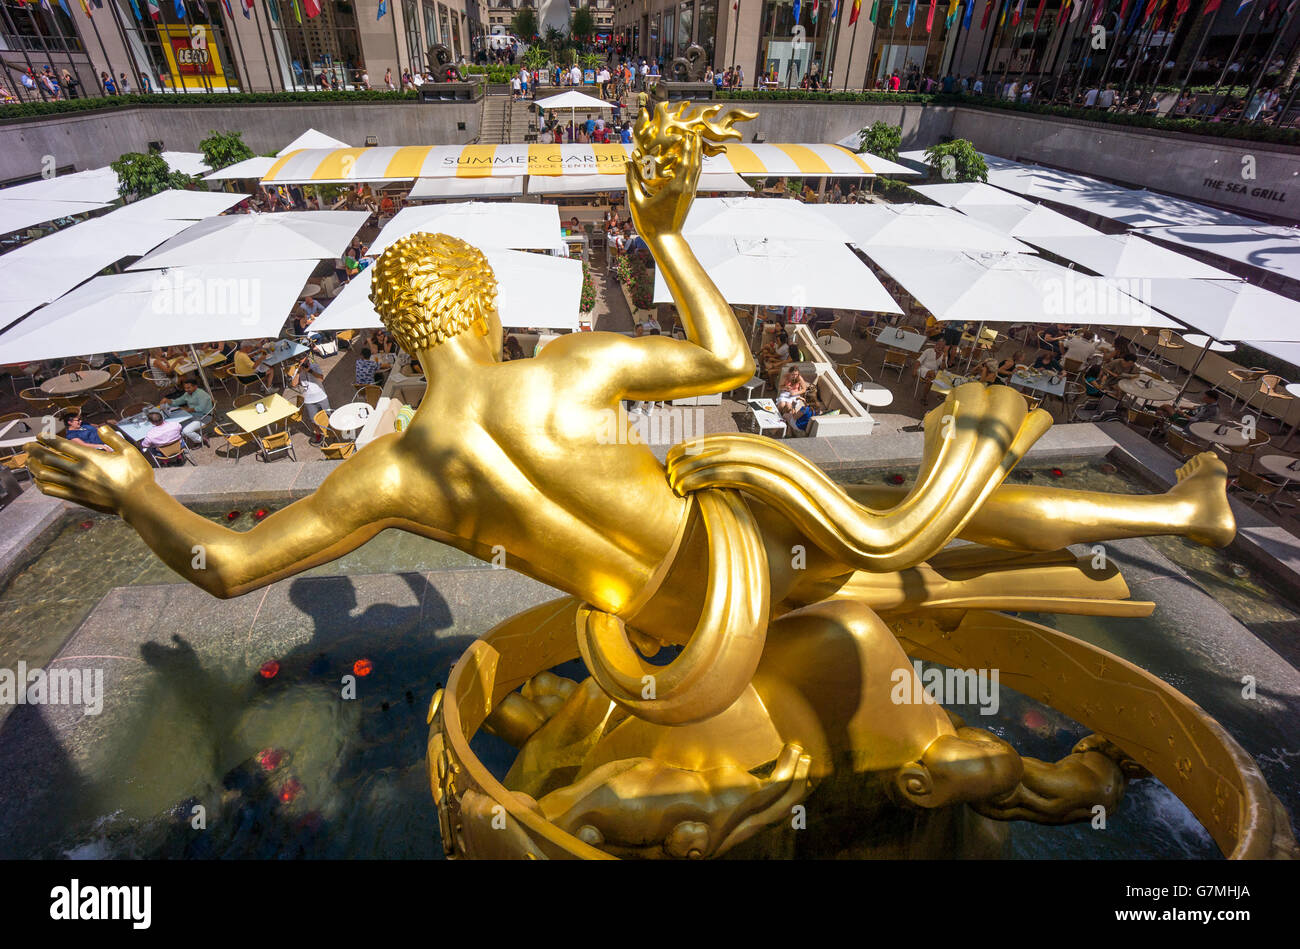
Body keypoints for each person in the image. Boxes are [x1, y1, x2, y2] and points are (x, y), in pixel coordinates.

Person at [161, 377, 214, 447]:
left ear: (195, 386)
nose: (186, 390)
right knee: (177, 427)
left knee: (186, 431)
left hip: (205, 416)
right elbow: (177, 402)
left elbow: (201, 408)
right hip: (192, 415)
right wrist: (167, 400)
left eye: (188, 388)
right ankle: (181, 443)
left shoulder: (201, 394)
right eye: (185, 388)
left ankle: (201, 440)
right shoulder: (187, 393)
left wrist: (186, 410)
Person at [292, 357, 331, 446]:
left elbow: (321, 379)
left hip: (321, 396)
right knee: (313, 420)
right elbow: (293, 384)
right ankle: (318, 435)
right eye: (302, 363)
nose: (306, 364)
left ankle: (332, 431)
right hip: (309, 400)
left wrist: (310, 371)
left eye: (306, 362)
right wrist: (298, 372)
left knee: (328, 415)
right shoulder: (298, 370)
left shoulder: (315, 366)